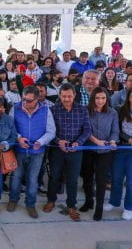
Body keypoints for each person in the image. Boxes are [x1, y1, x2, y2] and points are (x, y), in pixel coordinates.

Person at [43, 84, 91, 222]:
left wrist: (78, 143)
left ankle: (71, 206)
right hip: (57, 150)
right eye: (63, 96)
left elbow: (87, 130)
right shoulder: (53, 110)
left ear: (74, 95)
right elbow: (49, 130)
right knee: (54, 177)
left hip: (76, 151)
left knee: (72, 180)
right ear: (59, 96)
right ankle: (51, 201)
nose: (66, 99)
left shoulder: (82, 110)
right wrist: (59, 141)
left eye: (69, 96)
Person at [7, 86, 56, 219]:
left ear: (37, 99)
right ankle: (13, 200)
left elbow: (51, 132)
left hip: (37, 152)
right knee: (16, 176)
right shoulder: (15, 109)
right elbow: (10, 128)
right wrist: (18, 138)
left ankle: (30, 204)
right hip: (19, 150)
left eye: (29, 101)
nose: (25, 103)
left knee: (32, 179)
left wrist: (40, 142)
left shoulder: (46, 110)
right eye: (23, 99)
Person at [79, 87, 119, 221]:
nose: (100, 101)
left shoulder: (112, 112)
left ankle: (99, 207)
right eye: (97, 98)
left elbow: (115, 131)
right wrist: (96, 141)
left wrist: (113, 140)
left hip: (105, 151)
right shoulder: (86, 110)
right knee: (87, 178)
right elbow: (85, 130)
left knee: (101, 180)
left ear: (106, 99)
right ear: (93, 98)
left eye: (103, 98)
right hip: (89, 149)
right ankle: (88, 201)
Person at [105, 89, 132, 220]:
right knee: (116, 178)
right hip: (121, 148)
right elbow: (117, 130)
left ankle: (129, 207)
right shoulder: (120, 110)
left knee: (131, 182)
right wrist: (128, 139)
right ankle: (114, 201)